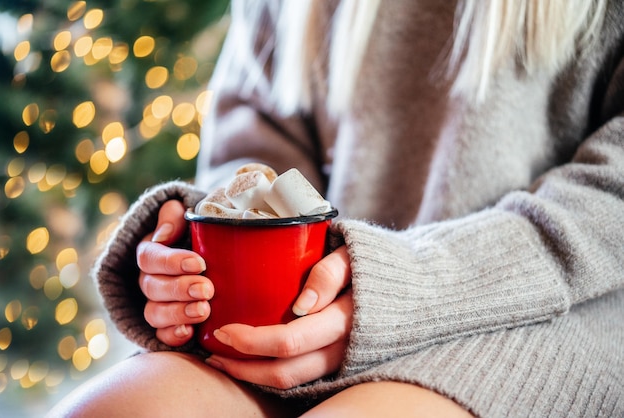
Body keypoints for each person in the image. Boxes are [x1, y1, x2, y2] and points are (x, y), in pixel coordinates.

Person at [48, 0, 624, 416]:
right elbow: (255, 152)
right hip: (309, 315)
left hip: (554, 307)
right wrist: (214, 235)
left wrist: (405, 286)